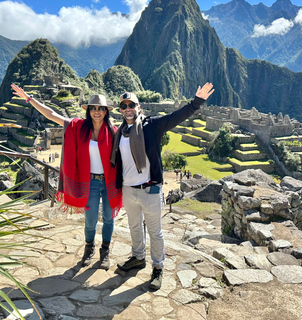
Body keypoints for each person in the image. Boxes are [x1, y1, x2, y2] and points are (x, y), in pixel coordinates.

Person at [110, 82, 214, 290]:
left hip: (150, 189)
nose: (128, 108)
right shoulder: (120, 132)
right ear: (120, 110)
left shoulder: (151, 126)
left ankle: (158, 268)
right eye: (124, 106)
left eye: (132, 105)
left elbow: (175, 117)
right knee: (134, 227)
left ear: (138, 108)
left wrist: (196, 103)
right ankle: (138, 258)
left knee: (155, 232)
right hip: (129, 189)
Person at [11, 84, 122, 270]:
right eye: (93, 108)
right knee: (90, 220)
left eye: (100, 108)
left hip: (109, 182)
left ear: (105, 111)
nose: (97, 111)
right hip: (91, 182)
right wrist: (29, 99)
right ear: (88, 111)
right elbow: (51, 115)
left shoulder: (113, 132)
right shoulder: (78, 127)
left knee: (110, 219)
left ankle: (105, 252)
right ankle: (89, 248)